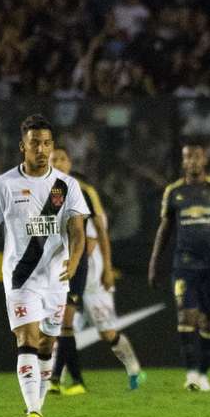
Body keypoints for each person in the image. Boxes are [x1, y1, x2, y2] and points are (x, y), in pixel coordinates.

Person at [0, 114, 88, 417]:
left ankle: (38, 404)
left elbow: (78, 232)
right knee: (27, 338)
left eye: (47, 143)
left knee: (48, 344)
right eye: (35, 143)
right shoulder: (4, 185)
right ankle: (33, 411)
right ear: (23, 146)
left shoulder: (66, 186)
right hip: (20, 279)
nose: (42, 149)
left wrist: (75, 262)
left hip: (56, 279)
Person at [48, 146, 144, 393]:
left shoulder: (83, 193)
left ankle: (133, 368)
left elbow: (93, 238)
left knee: (106, 332)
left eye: (62, 158)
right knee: (65, 326)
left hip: (90, 275)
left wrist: (108, 269)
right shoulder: (48, 194)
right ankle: (60, 380)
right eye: (53, 159)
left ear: (70, 163)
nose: (57, 162)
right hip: (66, 272)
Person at [149, 143, 210, 391]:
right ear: (183, 162)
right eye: (187, 157)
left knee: (208, 322)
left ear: (204, 160)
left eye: (196, 156)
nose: (191, 161)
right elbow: (165, 229)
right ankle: (191, 374)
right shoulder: (174, 192)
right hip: (184, 265)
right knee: (186, 315)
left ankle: (203, 373)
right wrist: (154, 263)